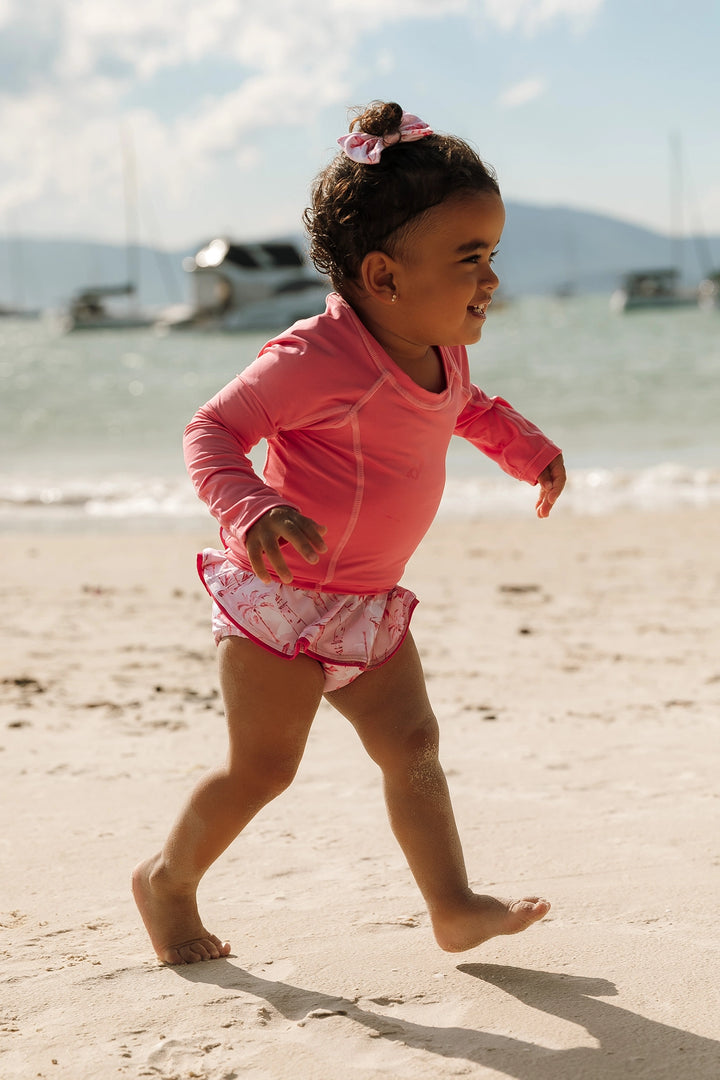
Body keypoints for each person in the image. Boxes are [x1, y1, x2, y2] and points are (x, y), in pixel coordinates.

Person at [132, 101, 566, 965]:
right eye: (470, 258)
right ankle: (167, 882)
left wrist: (524, 447)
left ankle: (454, 907)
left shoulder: (440, 345)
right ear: (384, 275)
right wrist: (248, 508)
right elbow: (210, 432)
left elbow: (459, 408)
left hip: (365, 605)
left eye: (493, 256)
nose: (491, 280)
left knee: (413, 747)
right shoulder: (314, 358)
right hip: (281, 602)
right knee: (263, 772)